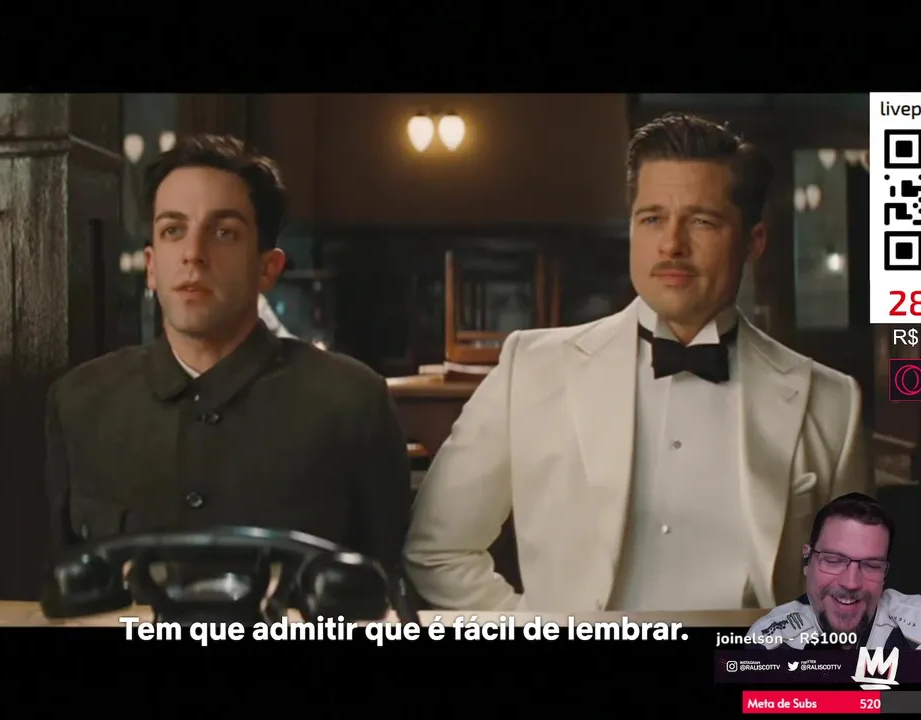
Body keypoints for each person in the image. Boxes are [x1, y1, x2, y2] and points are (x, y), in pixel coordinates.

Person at [405, 113, 871, 612]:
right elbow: (437, 550)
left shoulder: (831, 401)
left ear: (753, 242)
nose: (671, 244)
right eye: (652, 219)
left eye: (701, 221)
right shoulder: (531, 370)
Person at [44, 133, 412, 576]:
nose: (193, 255)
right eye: (173, 230)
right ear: (152, 266)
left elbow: (385, 587)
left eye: (223, 233)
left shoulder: (352, 402)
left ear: (267, 268)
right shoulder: (81, 402)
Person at [746, 493, 921, 650]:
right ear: (807, 560)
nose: (851, 583)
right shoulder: (771, 640)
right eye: (834, 561)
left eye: (871, 565)